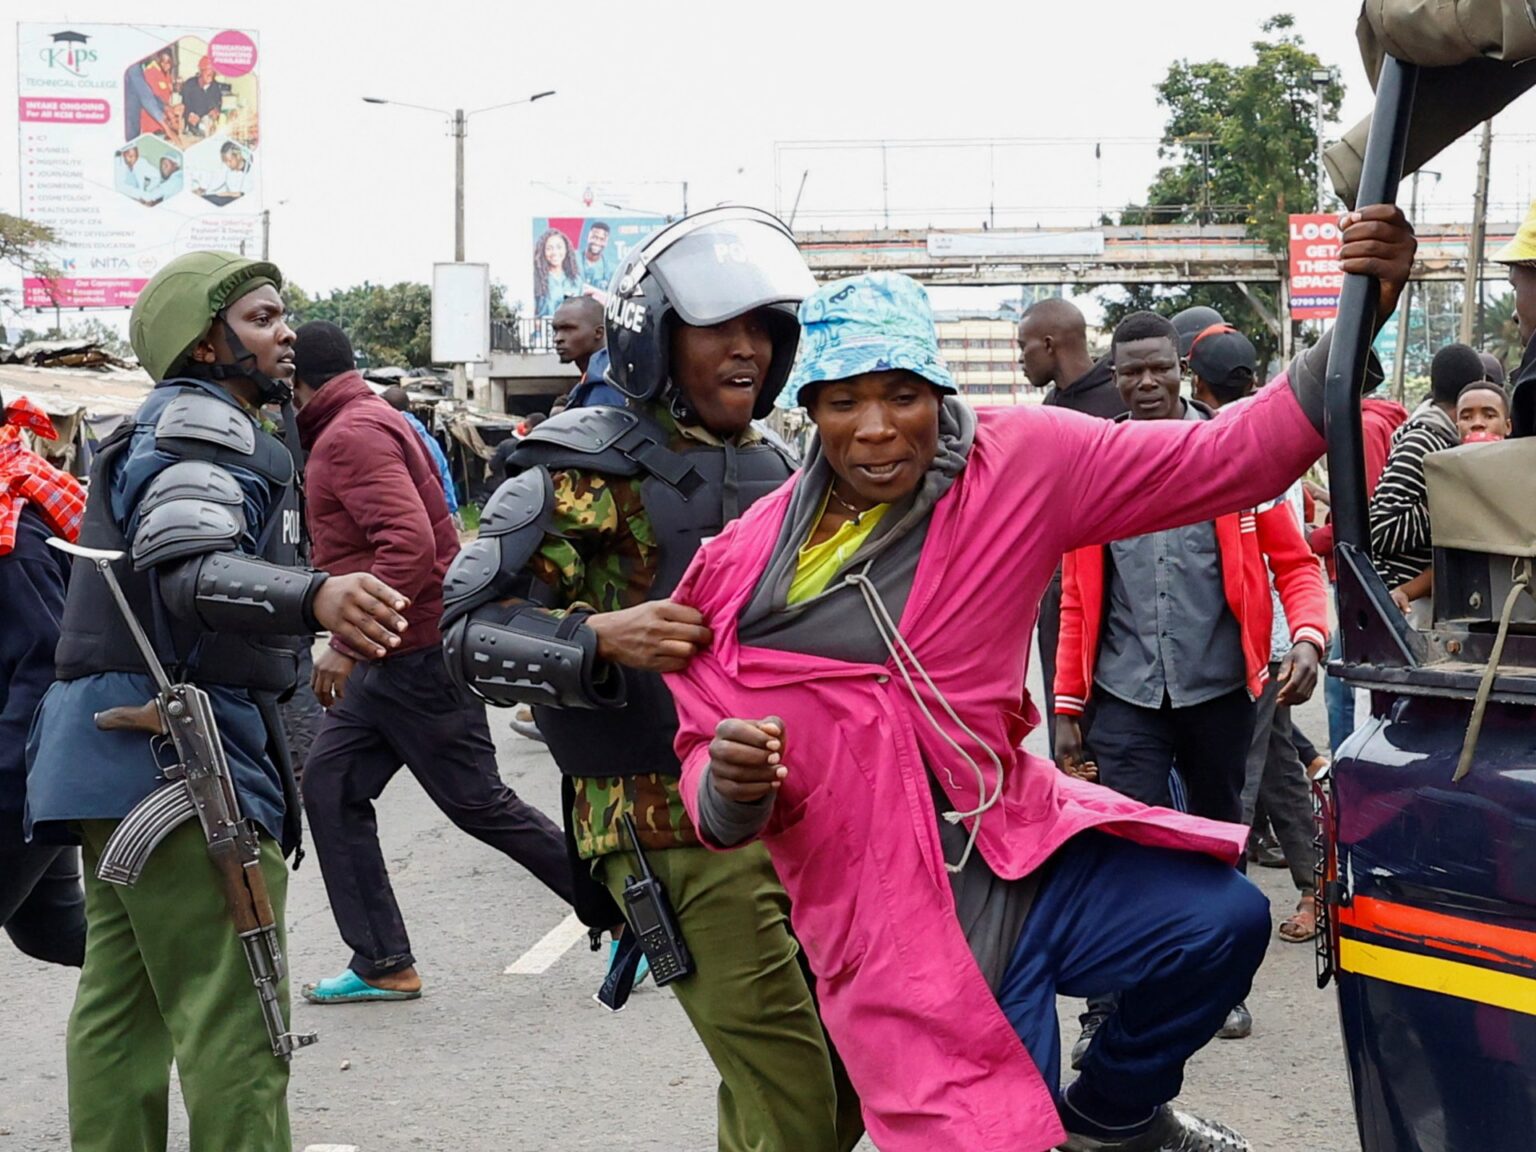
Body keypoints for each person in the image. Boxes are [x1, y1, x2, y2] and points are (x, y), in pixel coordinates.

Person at [664, 205, 1415, 1152]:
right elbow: (703, 767)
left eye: (901, 393)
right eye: (844, 400)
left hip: (1022, 856)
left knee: (1220, 921)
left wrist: (1362, 316)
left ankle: (1114, 1114)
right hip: (895, 923)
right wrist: (726, 787)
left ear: (938, 390)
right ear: (808, 410)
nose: (875, 429)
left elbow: (1230, 457)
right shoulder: (742, 567)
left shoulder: (1020, 462)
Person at [442, 206, 862, 1152]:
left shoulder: (777, 465)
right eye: (722, 329)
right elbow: (459, 633)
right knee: (794, 1101)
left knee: (838, 1085)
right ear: (659, 337)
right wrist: (599, 638)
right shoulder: (576, 465)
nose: (748, 351)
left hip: (793, 810)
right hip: (660, 820)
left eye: (763, 329)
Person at [25, 252, 412, 1152]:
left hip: (110, 763)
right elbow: (189, 570)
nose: (286, 335)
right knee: (237, 1020)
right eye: (264, 317)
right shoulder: (204, 431)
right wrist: (316, 595)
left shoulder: (167, 427)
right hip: (180, 770)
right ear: (205, 342)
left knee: (123, 1012)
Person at [1055, 314, 1327, 1049]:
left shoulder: (1235, 459)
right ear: (1113, 378)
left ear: (1181, 369)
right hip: (1125, 695)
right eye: (1129, 372)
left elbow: (1296, 566)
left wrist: (1307, 637)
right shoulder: (1093, 463)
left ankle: (1216, 994)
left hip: (1220, 694)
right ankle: (1108, 1009)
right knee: (1119, 848)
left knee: (1219, 843)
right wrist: (1065, 702)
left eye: (1157, 370)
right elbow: (1077, 595)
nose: (1145, 384)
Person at [287, 321, 571, 1004]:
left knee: (480, 804)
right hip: (396, 655)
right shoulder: (361, 419)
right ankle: (383, 960)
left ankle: (626, 915)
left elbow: (410, 545)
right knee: (329, 786)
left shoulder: (350, 433)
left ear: (298, 380)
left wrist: (349, 644)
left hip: (412, 655)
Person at [1188, 325, 1326, 944]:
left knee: (1239, 785)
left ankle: (1227, 916)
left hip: (1252, 646)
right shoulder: (1271, 426)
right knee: (1276, 775)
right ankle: (1314, 886)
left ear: (1193, 381)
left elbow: (1284, 555)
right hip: (1270, 641)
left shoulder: (1221, 442)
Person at [0, 394, 86, 969]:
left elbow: (47, 668)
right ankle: (195, 984)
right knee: (53, 929)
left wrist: (10, 788)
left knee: (57, 927)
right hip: (37, 777)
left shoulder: (13, 542)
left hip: (19, 781)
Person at [1017, 297, 1126, 750]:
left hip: (1116, 590)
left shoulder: (1118, 402)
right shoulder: (1048, 407)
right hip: (1060, 588)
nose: (1021, 360)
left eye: (1024, 348)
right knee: (1070, 733)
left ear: (1048, 344)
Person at [1369, 343, 1482, 622]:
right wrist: (1444, 505)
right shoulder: (1423, 441)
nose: (1478, 422)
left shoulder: (1451, 442)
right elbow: (1380, 530)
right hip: (1400, 603)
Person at [1390, 379, 1512, 615]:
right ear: (1457, 428)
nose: (1477, 424)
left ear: (1508, 426)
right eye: (1466, 417)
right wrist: (1405, 591)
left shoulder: (1524, 474)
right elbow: (1451, 562)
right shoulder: (1451, 484)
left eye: (1488, 415)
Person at [380, 385, 459, 516]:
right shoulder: (428, 439)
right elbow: (444, 475)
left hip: (417, 513)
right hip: (440, 510)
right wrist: (450, 509)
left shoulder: (394, 436)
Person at [551, 295, 627, 409]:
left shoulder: (606, 386)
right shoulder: (591, 383)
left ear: (598, 333)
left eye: (568, 329)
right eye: (556, 330)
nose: (557, 338)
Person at [534, 228, 583, 318]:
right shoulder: (536, 280)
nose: (554, 252)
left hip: (569, 330)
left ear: (566, 250)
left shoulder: (576, 280)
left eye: (559, 247)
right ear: (542, 252)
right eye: (549, 248)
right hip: (545, 330)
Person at [180, 56, 222, 138]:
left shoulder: (215, 86)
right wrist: (189, 115)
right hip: (190, 130)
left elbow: (217, 104)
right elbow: (184, 105)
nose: (211, 75)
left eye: (213, 72)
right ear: (201, 71)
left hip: (208, 127)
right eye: (207, 71)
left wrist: (216, 110)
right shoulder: (189, 85)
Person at [137, 49, 176, 136]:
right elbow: (153, 99)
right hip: (151, 123)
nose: (166, 65)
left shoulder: (167, 74)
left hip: (162, 121)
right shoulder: (151, 72)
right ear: (158, 60)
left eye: (169, 62)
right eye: (163, 61)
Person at [579, 220, 617, 295]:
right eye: (594, 237)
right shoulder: (572, 260)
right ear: (588, 237)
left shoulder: (611, 270)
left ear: (606, 242)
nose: (597, 242)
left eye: (602, 239)